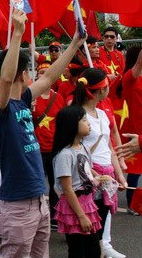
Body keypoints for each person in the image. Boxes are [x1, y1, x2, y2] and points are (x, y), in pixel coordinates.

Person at [0, 8, 84, 258]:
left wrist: (75, 43)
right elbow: (6, 81)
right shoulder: (0, 107)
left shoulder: (24, 98)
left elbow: (50, 76)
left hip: (39, 199)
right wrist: (17, 33)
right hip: (17, 204)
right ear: (23, 73)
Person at [72, 68, 128, 258]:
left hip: (107, 172)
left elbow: (109, 147)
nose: (108, 89)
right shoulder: (77, 114)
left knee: (104, 215)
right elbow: (74, 149)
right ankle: (96, 250)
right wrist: (92, 174)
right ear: (100, 89)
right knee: (89, 220)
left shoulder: (102, 114)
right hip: (90, 174)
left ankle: (104, 247)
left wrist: (119, 174)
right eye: (106, 86)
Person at [52, 105, 101, 258]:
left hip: (87, 203)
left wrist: (99, 178)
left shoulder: (83, 147)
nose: (89, 124)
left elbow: (87, 170)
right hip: (75, 207)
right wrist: (81, 216)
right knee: (78, 251)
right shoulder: (65, 155)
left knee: (93, 250)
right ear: (72, 124)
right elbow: (67, 189)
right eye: (85, 120)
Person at [32, 61, 66, 229]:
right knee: (37, 183)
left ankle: (54, 215)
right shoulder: (31, 97)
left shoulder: (58, 97)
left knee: (55, 184)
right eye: (41, 72)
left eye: (47, 72)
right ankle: (36, 216)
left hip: (54, 148)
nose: (44, 74)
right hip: (36, 148)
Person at [116, 46, 142, 214]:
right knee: (135, 170)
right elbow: (139, 63)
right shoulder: (128, 79)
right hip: (134, 132)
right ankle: (132, 203)